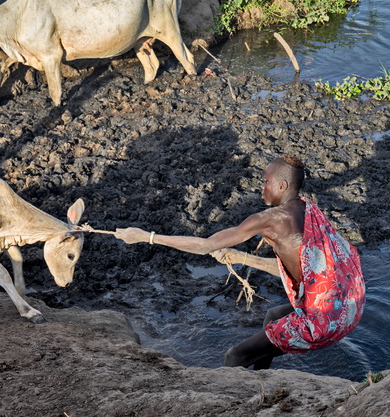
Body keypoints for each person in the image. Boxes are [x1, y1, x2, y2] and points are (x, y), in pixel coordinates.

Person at [111, 155, 365, 369]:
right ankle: (261, 378)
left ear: (282, 185)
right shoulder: (309, 210)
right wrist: (241, 257)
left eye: (266, 182)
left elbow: (206, 245)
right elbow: (300, 272)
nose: (262, 188)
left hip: (323, 322)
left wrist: (147, 237)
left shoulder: (270, 219)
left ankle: (233, 400)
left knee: (234, 356)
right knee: (274, 315)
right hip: (347, 308)